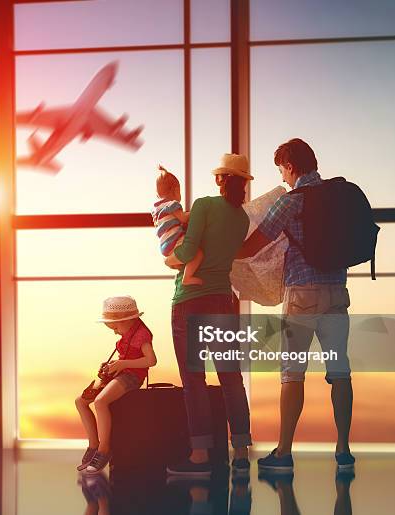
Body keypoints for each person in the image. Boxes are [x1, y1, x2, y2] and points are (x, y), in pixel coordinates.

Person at [237, 138, 355, 472]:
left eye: (282, 171)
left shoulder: (291, 201)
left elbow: (255, 243)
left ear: (290, 166)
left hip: (301, 295)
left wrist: (222, 254)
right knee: (340, 371)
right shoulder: (337, 198)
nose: (283, 179)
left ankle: (284, 452)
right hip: (336, 294)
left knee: (292, 375)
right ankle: (343, 449)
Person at [164, 153, 254, 477]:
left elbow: (187, 252)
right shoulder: (242, 219)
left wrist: (169, 260)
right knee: (231, 378)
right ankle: (241, 452)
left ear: (220, 179)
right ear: (242, 183)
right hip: (222, 303)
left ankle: (200, 456)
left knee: (194, 381)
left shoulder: (203, 205)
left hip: (190, 301)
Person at [75, 295, 157, 474]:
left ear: (129, 320)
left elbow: (151, 361)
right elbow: (124, 357)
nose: (115, 331)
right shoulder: (127, 334)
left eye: (116, 327)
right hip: (120, 373)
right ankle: (93, 444)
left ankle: (104, 450)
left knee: (100, 402)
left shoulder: (141, 334)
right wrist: (111, 365)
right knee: (80, 401)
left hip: (132, 377)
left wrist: (123, 364)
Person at [152, 165, 204, 286]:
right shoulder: (172, 204)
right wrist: (196, 212)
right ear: (175, 190)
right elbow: (184, 218)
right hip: (175, 243)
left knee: (183, 262)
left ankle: (174, 264)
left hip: (165, 248)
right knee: (199, 253)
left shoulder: (157, 209)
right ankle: (187, 277)